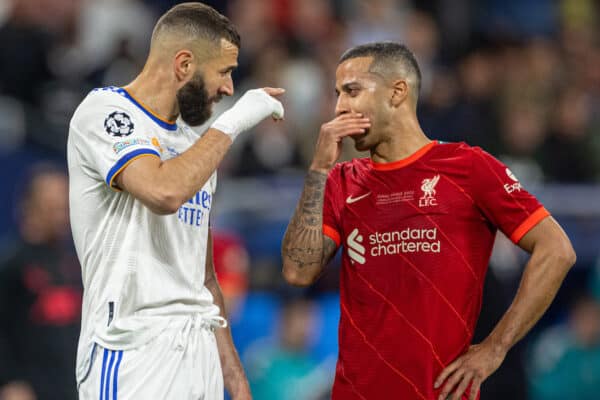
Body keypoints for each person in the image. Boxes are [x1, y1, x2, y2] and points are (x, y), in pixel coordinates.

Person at [281, 41, 576, 400]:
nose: (340, 106)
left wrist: (495, 347)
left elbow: (556, 250)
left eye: (352, 91)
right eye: (338, 94)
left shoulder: (467, 167)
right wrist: (318, 170)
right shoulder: (342, 181)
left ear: (397, 92)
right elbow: (298, 271)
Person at [67, 3, 284, 399]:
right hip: (132, 349)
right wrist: (232, 124)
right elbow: (162, 191)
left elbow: (201, 275)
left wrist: (233, 375)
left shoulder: (194, 144)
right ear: (183, 64)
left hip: (197, 351)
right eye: (224, 72)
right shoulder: (105, 112)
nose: (229, 89)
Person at [0, 165, 81, 400]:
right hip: (29, 389)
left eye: (63, 207)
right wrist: (9, 381)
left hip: (71, 387)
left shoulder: (74, 264)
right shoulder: (11, 264)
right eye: (51, 206)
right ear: (29, 206)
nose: (60, 214)